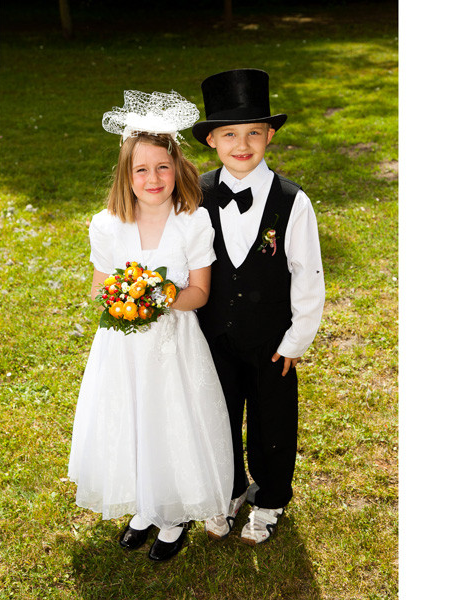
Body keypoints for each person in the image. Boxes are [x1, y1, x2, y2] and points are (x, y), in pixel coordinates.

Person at [67, 90, 234, 562]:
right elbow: (99, 285)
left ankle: (173, 513)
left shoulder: (193, 222)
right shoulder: (107, 224)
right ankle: (144, 505)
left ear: (176, 168)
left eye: (162, 167)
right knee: (132, 419)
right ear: (127, 176)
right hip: (121, 347)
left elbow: (199, 293)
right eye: (141, 170)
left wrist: (162, 296)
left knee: (170, 420)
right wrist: (123, 294)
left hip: (174, 345)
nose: (153, 178)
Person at [192, 68, 325, 545]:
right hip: (214, 337)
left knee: (272, 420)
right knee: (218, 413)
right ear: (212, 140)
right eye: (229, 134)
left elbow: (307, 276)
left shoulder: (294, 202)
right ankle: (226, 489)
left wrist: (296, 340)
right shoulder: (197, 195)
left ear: (269, 135)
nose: (242, 144)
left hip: (273, 340)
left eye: (253, 133)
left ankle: (269, 498)